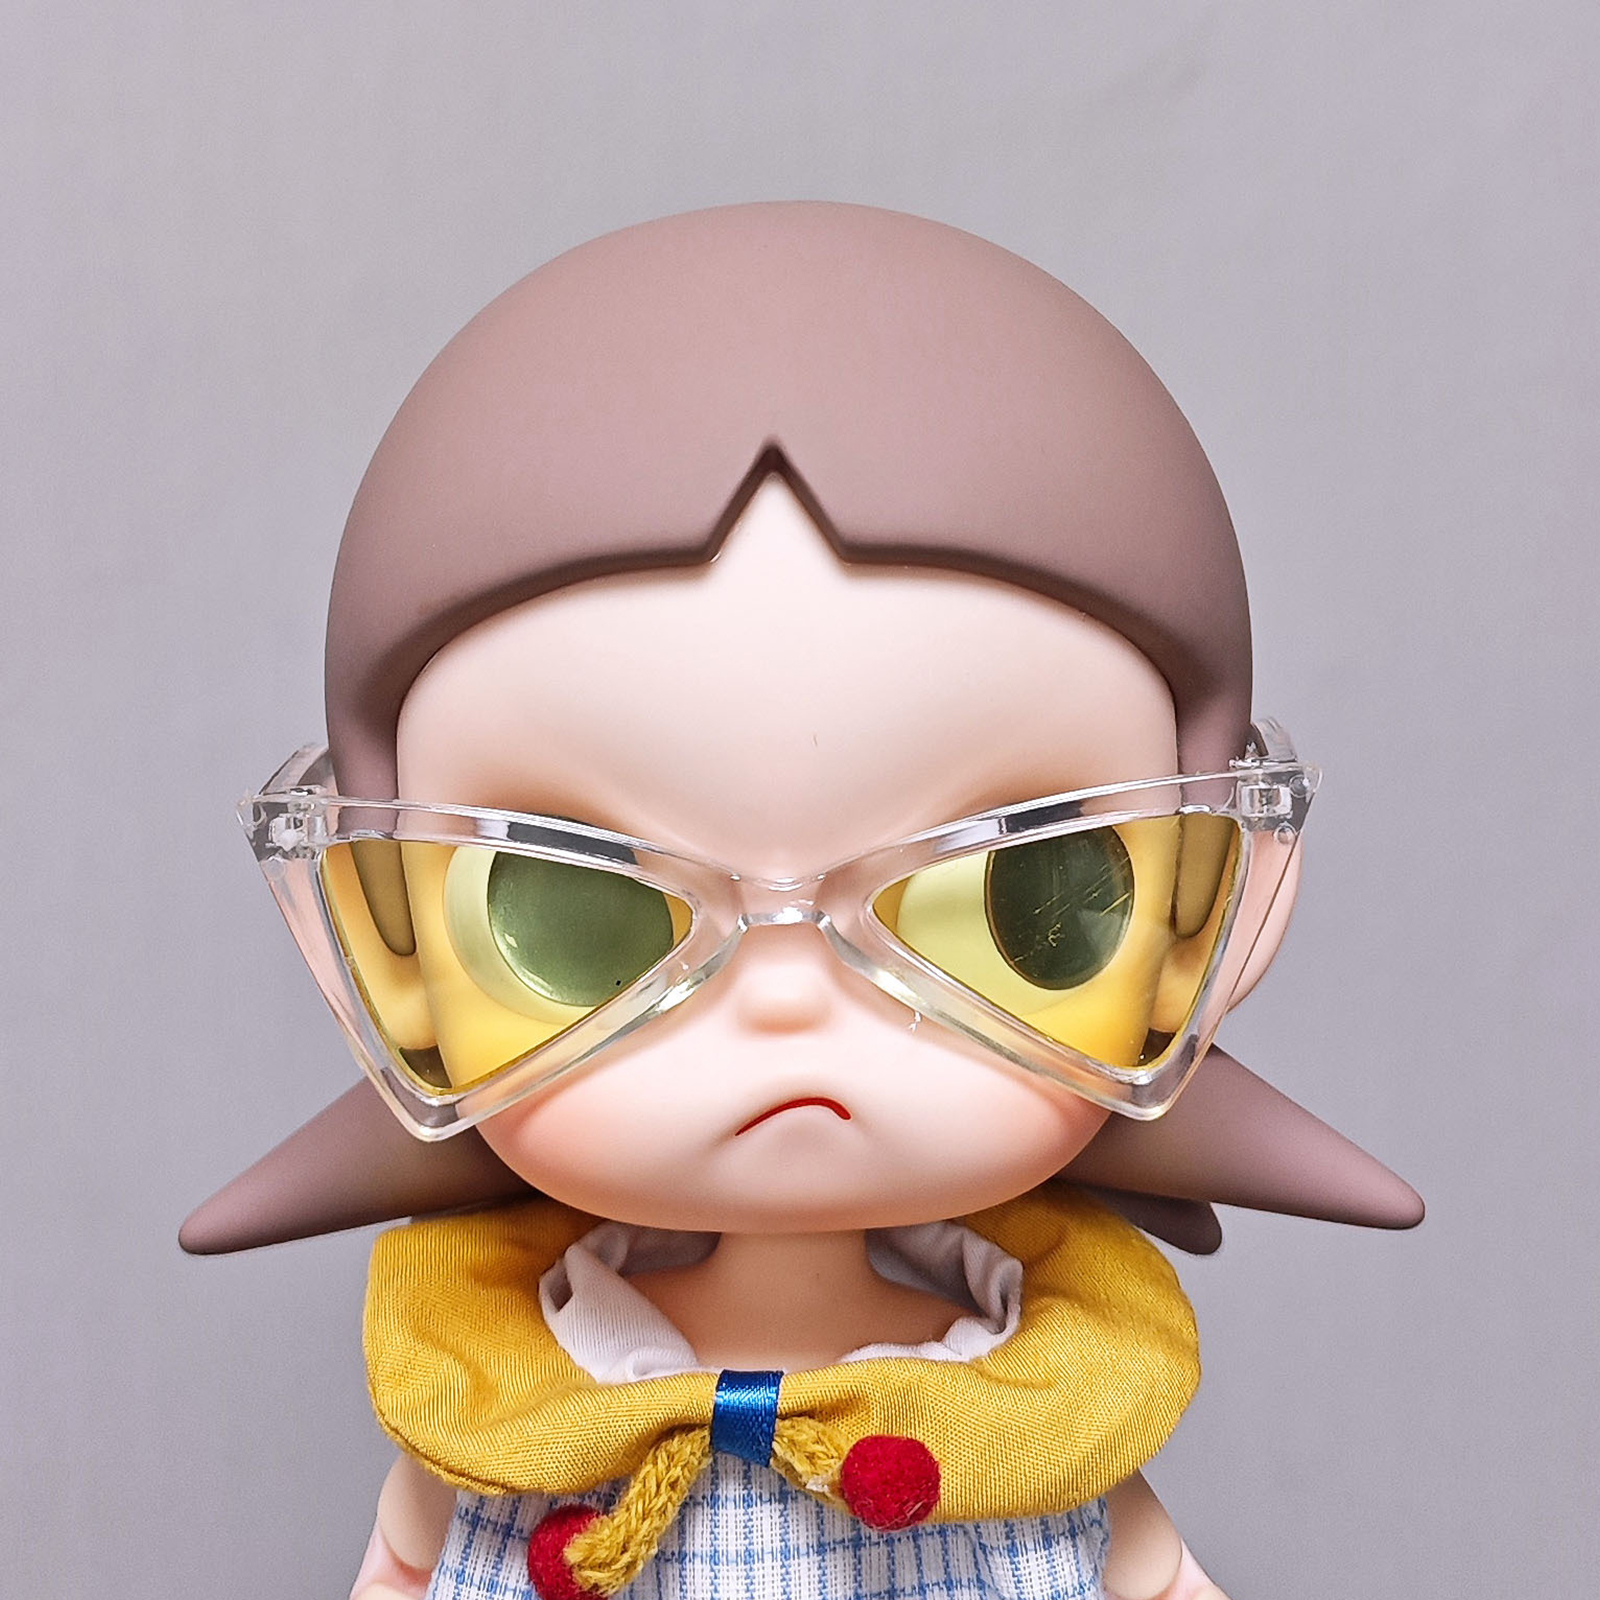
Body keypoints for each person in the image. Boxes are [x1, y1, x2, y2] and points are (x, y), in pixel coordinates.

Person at [183, 204, 1422, 1600]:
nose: (784, 1000)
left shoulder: (1029, 1426)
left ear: (1202, 922)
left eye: (1017, 896)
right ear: (386, 943)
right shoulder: (504, 1414)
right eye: (576, 914)